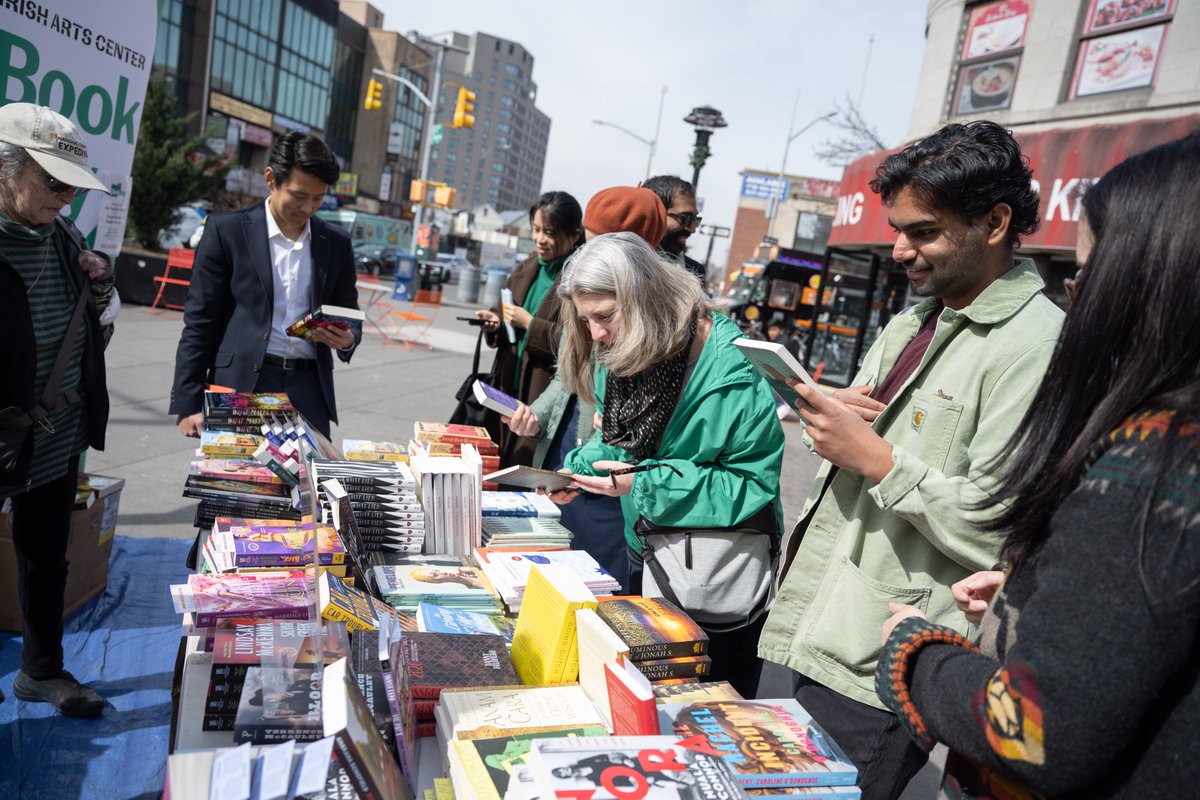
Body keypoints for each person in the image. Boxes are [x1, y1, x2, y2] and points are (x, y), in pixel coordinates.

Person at [877, 133, 1200, 799]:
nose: (1081, 302)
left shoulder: (1158, 460)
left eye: (1088, 278)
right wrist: (1045, 594)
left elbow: (1037, 730)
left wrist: (914, 654)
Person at [757, 120, 1064, 799]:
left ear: (995, 221)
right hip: (821, 622)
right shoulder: (913, 320)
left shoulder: (1036, 344)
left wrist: (879, 460)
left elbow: (999, 524)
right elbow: (858, 451)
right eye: (897, 230)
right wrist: (830, 422)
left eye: (922, 231)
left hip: (886, 656)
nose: (899, 250)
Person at [553, 232, 785, 697]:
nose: (596, 333)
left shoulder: (732, 370)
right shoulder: (622, 349)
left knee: (711, 712)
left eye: (605, 316)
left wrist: (645, 485)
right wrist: (577, 469)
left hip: (717, 583)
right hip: (649, 553)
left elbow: (750, 485)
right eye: (586, 319)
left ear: (645, 299)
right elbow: (622, 444)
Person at [0, 103, 116, 717]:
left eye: (71, 185)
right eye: (51, 181)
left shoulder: (67, 237)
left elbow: (98, 325)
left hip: (57, 429)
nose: (65, 197)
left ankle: (41, 671)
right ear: (4, 168)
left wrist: (101, 284)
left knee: (46, 556)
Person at [504, 187, 669, 591]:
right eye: (586, 242)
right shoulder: (585, 286)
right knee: (562, 565)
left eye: (598, 244)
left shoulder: (661, 321)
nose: (586, 256)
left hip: (619, 476)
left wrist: (617, 432)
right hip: (580, 451)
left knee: (603, 582)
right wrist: (538, 416)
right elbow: (567, 374)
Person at [170, 131, 359, 440]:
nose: (308, 207)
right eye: (299, 195)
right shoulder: (226, 231)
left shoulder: (335, 242)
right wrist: (188, 401)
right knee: (236, 481)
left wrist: (348, 337)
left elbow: (347, 309)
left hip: (310, 387)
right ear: (271, 178)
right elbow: (200, 321)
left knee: (306, 485)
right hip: (243, 381)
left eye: (318, 198)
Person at [474, 191, 584, 467]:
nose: (540, 239)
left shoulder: (579, 280)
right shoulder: (527, 266)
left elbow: (578, 342)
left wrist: (529, 324)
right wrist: (495, 322)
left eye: (549, 232)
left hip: (542, 386)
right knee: (496, 458)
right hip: (508, 381)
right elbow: (504, 307)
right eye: (536, 230)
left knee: (524, 463)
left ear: (573, 236)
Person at [642, 174, 706, 283]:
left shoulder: (695, 272)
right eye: (685, 218)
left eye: (695, 219)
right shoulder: (620, 262)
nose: (692, 229)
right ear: (655, 214)